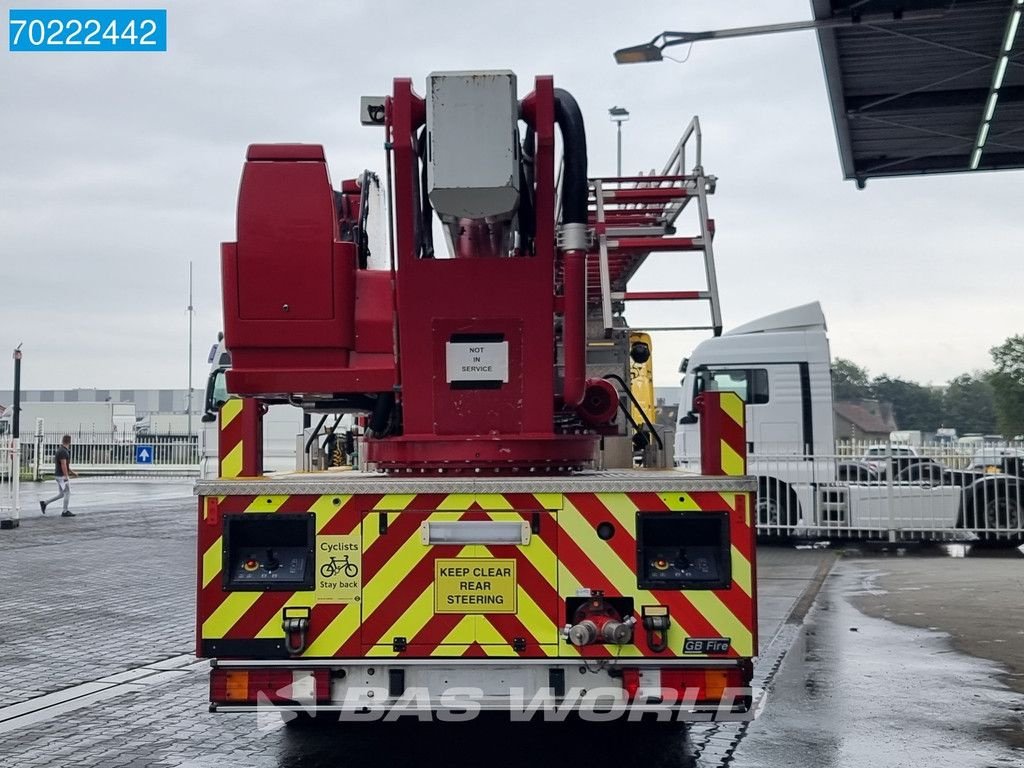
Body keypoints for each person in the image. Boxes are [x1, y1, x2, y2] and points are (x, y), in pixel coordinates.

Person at [40, 434, 77, 517]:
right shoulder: (63, 451)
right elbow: (63, 465)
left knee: (61, 494)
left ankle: (45, 503)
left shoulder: (61, 450)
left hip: (58, 475)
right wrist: (66, 477)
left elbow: (65, 465)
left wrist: (72, 472)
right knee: (67, 493)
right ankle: (65, 511)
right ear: (70, 441)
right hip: (61, 476)